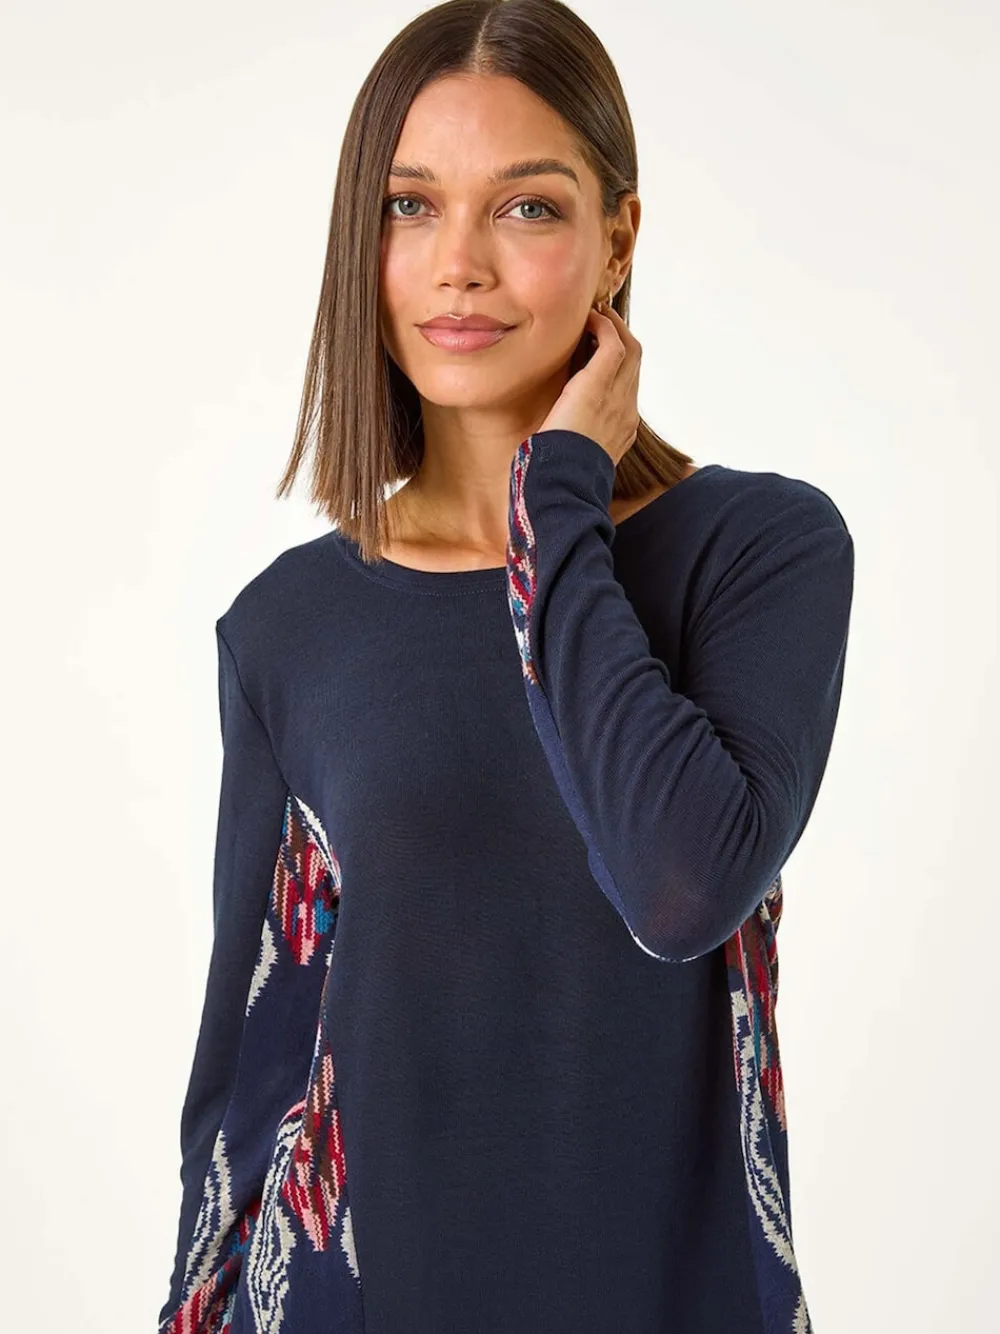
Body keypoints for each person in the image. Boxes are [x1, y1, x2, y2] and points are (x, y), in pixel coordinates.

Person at [157, 2, 854, 1332]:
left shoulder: (760, 551)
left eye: (526, 208)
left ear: (618, 241)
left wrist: (560, 496)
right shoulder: (289, 626)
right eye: (410, 207)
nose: (459, 265)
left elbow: (681, 884)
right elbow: (251, 1078)